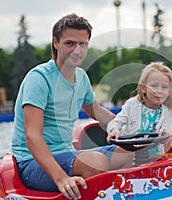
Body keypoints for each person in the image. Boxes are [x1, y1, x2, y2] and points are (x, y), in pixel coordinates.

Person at [11, 13, 117, 199]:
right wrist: (61, 179)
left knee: (129, 152)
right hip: (32, 164)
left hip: (67, 155)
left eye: (83, 44)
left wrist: (132, 128)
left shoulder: (82, 77)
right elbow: (32, 136)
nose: (77, 50)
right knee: (95, 161)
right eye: (70, 43)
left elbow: (98, 112)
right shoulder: (39, 78)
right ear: (56, 43)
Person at [106, 62, 172, 161]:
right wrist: (114, 129)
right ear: (143, 88)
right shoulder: (132, 105)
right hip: (129, 156)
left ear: (169, 91)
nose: (159, 91)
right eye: (154, 86)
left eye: (164, 87)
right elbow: (116, 122)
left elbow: (167, 130)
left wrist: (165, 134)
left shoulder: (168, 113)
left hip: (154, 158)